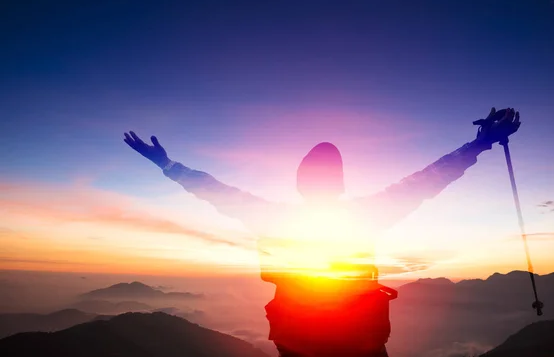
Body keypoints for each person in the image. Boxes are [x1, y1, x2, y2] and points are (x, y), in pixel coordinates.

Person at [124, 107, 520, 357]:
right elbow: (430, 178)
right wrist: (479, 143)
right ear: (341, 184)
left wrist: (166, 164)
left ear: (299, 185)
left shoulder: (273, 220)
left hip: (299, 344)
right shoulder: (369, 215)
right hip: (359, 345)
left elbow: (212, 190)